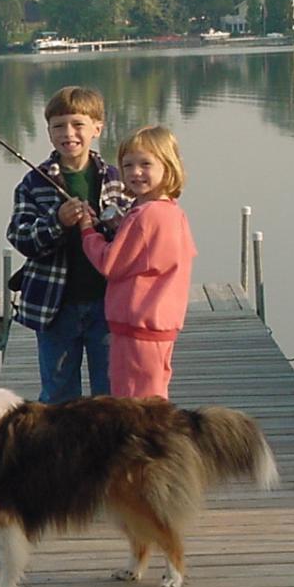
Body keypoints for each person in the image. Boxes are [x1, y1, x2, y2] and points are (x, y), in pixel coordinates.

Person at [6, 86, 130, 403]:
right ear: (48, 131)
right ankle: (61, 452)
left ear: (97, 128)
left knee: (111, 392)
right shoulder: (33, 182)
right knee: (59, 394)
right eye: (58, 126)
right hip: (55, 307)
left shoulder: (116, 177)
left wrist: (114, 225)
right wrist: (57, 221)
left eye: (78, 124)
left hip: (107, 303)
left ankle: (107, 452)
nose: (68, 133)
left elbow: (135, 238)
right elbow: (21, 237)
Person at [77, 124, 196, 399]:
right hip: (162, 325)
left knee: (132, 403)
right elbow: (150, 256)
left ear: (168, 167)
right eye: (127, 165)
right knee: (154, 395)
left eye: (145, 164)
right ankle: (159, 440)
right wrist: (120, 227)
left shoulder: (143, 217)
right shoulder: (172, 213)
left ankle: (143, 443)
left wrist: (87, 231)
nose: (135, 172)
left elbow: (110, 263)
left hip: (136, 327)